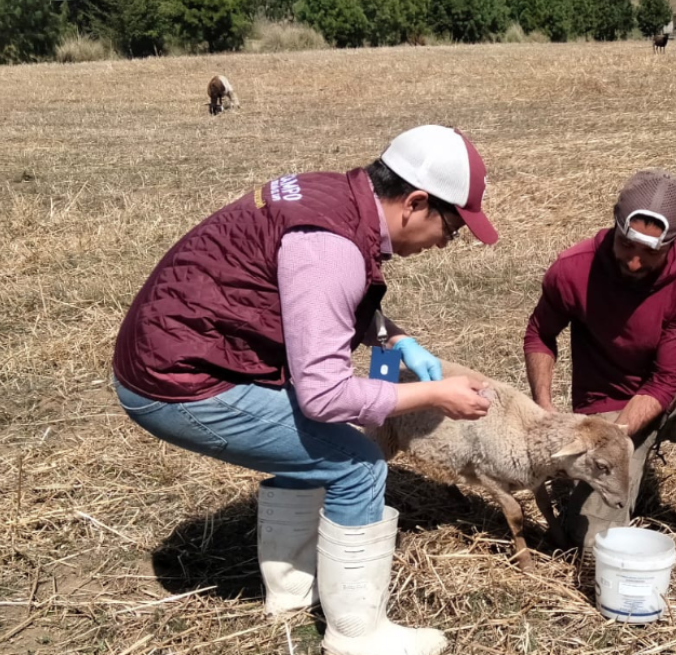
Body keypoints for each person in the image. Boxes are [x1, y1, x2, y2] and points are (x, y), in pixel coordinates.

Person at [112, 125, 498, 655]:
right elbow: (324, 395)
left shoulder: (338, 196)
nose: (445, 243)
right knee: (358, 464)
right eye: (451, 227)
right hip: (178, 382)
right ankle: (357, 634)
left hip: (172, 350)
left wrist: (395, 338)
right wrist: (436, 396)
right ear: (415, 202)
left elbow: (312, 299)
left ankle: (291, 589)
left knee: (320, 444)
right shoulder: (331, 246)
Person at [523, 168, 676, 576]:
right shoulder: (573, 269)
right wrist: (544, 409)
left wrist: (619, 437)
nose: (635, 261)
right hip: (604, 396)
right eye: (626, 244)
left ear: (674, 242)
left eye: (651, 253)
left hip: (669, 384)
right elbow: (540, 335)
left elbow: (665, 380)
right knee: (591, 544)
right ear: (615, 222)